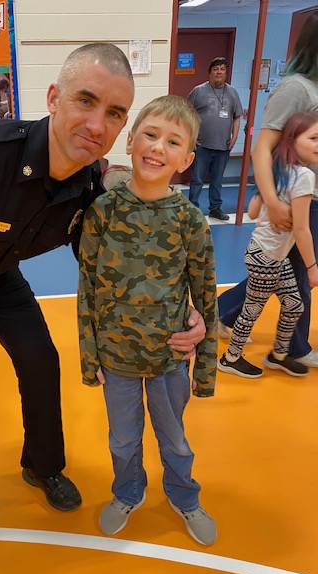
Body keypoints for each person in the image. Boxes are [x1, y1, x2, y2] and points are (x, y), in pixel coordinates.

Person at [0, 44, 206, 555]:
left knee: (40, 358)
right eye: (85, 101)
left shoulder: (89, 185)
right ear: (54, 98)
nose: (96, 124)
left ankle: (43, 466)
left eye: (114, 113)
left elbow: (114, 263)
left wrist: (185, 309)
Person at [78, 95, 217, 545]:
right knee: (122, 440)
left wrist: (206, 371)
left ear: (186, 160)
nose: (158, 147)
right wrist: (89, 357)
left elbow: (206, 295)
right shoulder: (102, 211)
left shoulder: (190, 220)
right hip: (115, 357)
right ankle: (128, 492)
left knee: (174, 440)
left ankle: (184, 495)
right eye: (151, 135)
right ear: (131, 141)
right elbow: (87, 289)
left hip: (169, 358)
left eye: (173, 142)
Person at [218, 12, 318, 367]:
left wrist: (267, 200)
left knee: (279, 288)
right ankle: (249, 355)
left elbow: (253, 211)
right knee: (269, 296)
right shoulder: (297, 89)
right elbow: (262, 148)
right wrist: (272, 201)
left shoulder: (293, 175)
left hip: (267, 248)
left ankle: (276, 346)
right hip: (281, 229)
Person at [218, 112, 318, 379]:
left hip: (266, 254)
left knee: (293, 304)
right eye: (313, 138)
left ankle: (278, 355)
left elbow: (252, 212)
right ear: (292, 141)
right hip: (267, 257)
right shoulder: (304, 176)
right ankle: (230, 358)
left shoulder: (277, 171)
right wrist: (312, 267)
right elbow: (302, 229)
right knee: (252, 310)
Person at [187, 57, 243, 221]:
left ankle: (215, 209)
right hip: (201, 146)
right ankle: (192, 209)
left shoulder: (233, 93)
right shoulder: (198, 91)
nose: (219, 72)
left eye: (222, 69)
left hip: (223, 146)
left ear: (226, 72)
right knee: (197, 179)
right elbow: (185, 114)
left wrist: (235, 137)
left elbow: (237, 116)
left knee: (217, 181)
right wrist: (191, 137)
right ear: (210, 72)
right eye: (216, 69)